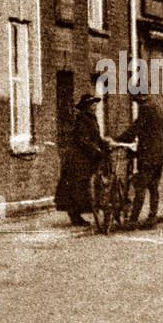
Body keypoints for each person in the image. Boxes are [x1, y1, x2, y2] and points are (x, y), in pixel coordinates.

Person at [55, 94, 107, 227]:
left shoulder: (91, 119)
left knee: (82, 186)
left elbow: (96, 138)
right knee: (76, 186)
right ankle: (75, 216)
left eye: (95, 104)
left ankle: (77, 215)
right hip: (78, 158)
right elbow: (82, 140)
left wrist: (105, 145)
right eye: (92, 104)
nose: (94, 107)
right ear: (86, 107)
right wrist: (96, 151)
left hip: (85, 157)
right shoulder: (81, 119)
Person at [118, 91, 163, 228]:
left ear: (140, 96)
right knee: (154, 187)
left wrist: (118, 139)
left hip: (149, 155)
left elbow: (136, 127)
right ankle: (152, 218)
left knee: (140, 187)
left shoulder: (145, 107)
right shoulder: (157, 106)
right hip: (160, 154)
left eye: (135, 99)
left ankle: (133, 220)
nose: (135, 102)